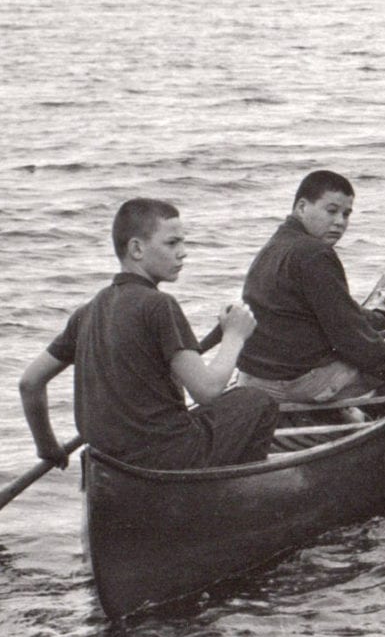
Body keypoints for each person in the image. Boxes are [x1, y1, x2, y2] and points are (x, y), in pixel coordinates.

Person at [18, 199, 279, 470]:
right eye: (172, 243)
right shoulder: (159, 306)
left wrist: (48, 447)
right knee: (257, 401)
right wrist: (235, 336)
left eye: (183, 243)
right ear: (137, 248)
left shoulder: (88, 311)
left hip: (107, 462)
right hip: (166, 457)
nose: (183, 253)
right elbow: (207, 391)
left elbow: (30, 383)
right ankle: (233, 493)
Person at [235, 171, 385, 404]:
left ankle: (346, 410)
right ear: (302, 207)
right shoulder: (315, 254)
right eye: (331, 211)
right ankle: (351, 407)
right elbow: (349, 337)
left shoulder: (275, 245)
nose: (340, 222)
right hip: (292, 385)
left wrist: (377, 322)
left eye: (346, 214)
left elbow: (336, 310)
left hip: (251, 379)